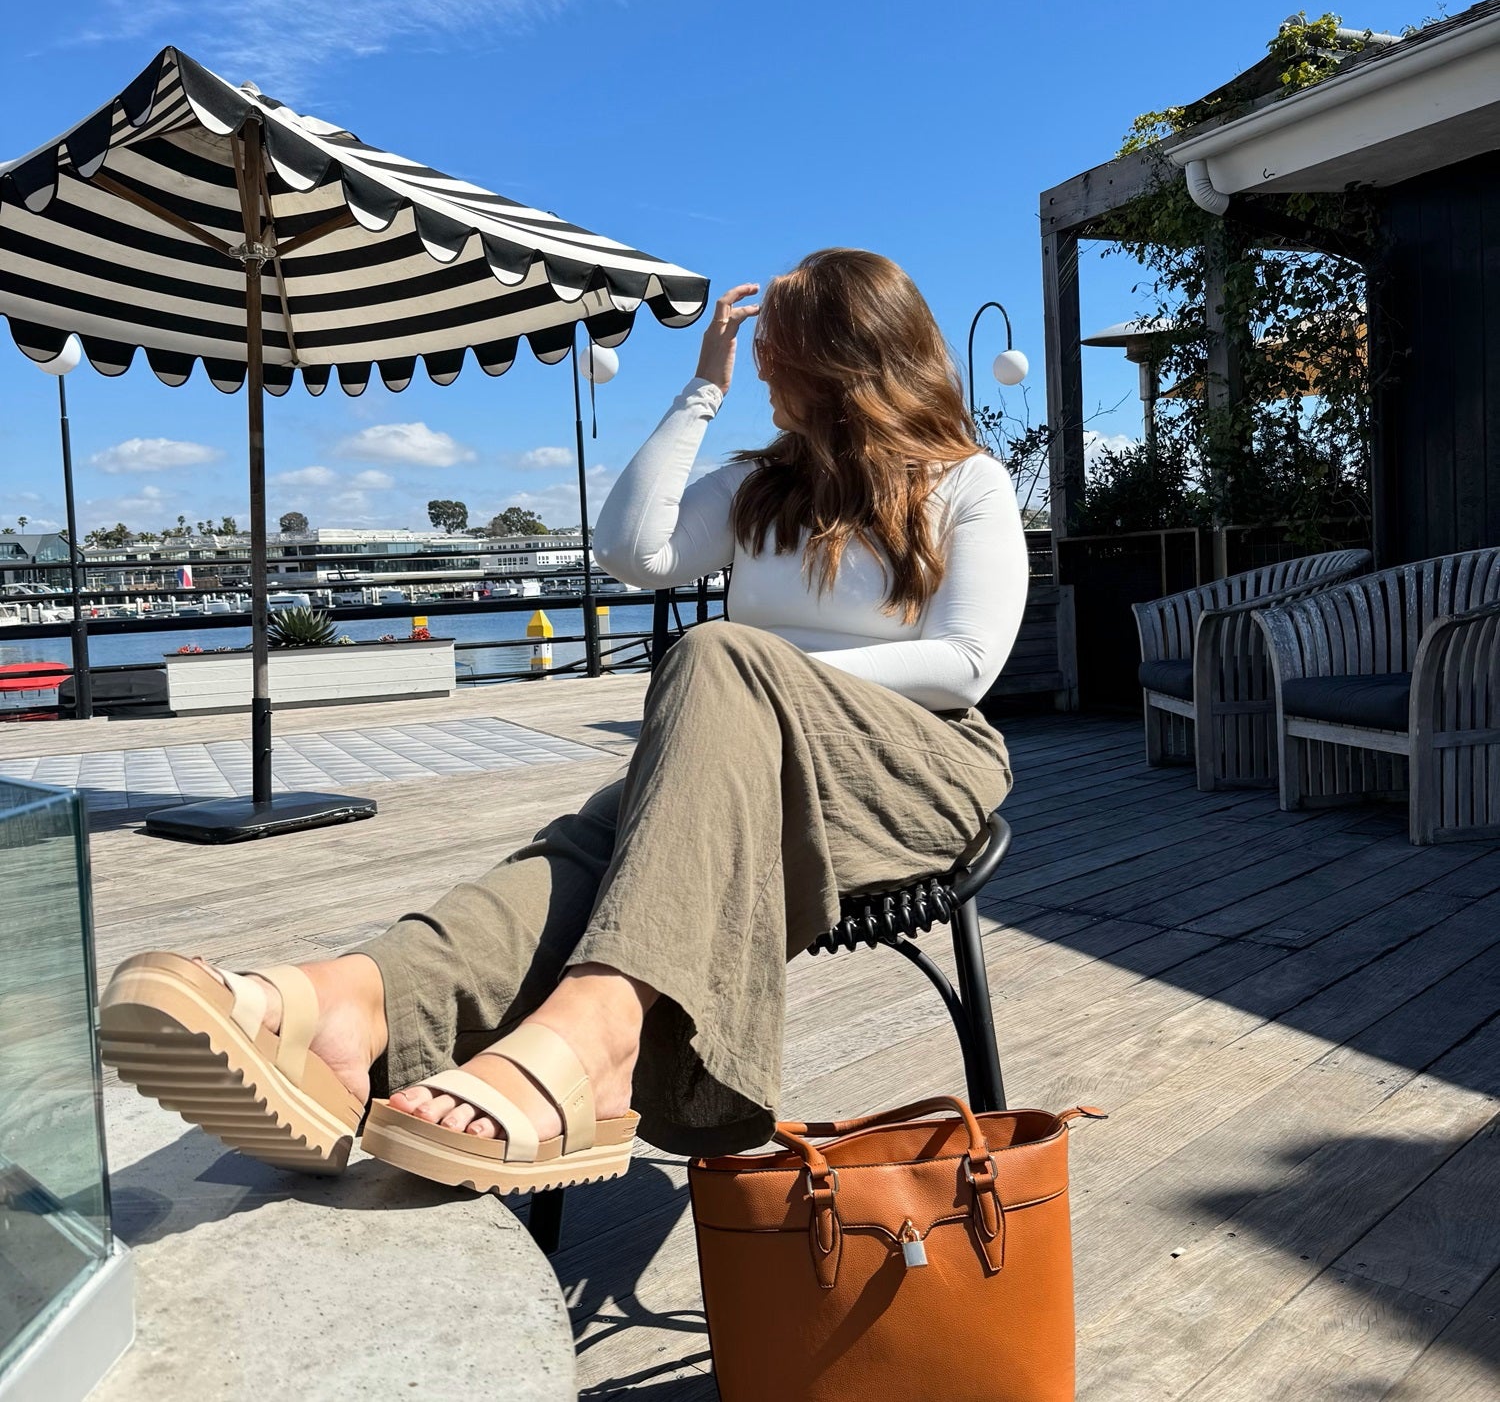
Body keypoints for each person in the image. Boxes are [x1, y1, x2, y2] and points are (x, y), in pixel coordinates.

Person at [99, 248, 1030, 1196]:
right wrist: (699, 392)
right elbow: (633, 549)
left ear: (841, 358)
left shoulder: (967, 484)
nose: (759, 373)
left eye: (773, 355)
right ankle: (355, 1005)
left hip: (911, 770)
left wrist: (761, 685)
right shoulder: (765, 487)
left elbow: (964, 665)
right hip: (744, 759)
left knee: (715, 658)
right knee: (583, 856)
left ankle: (599, 1033)